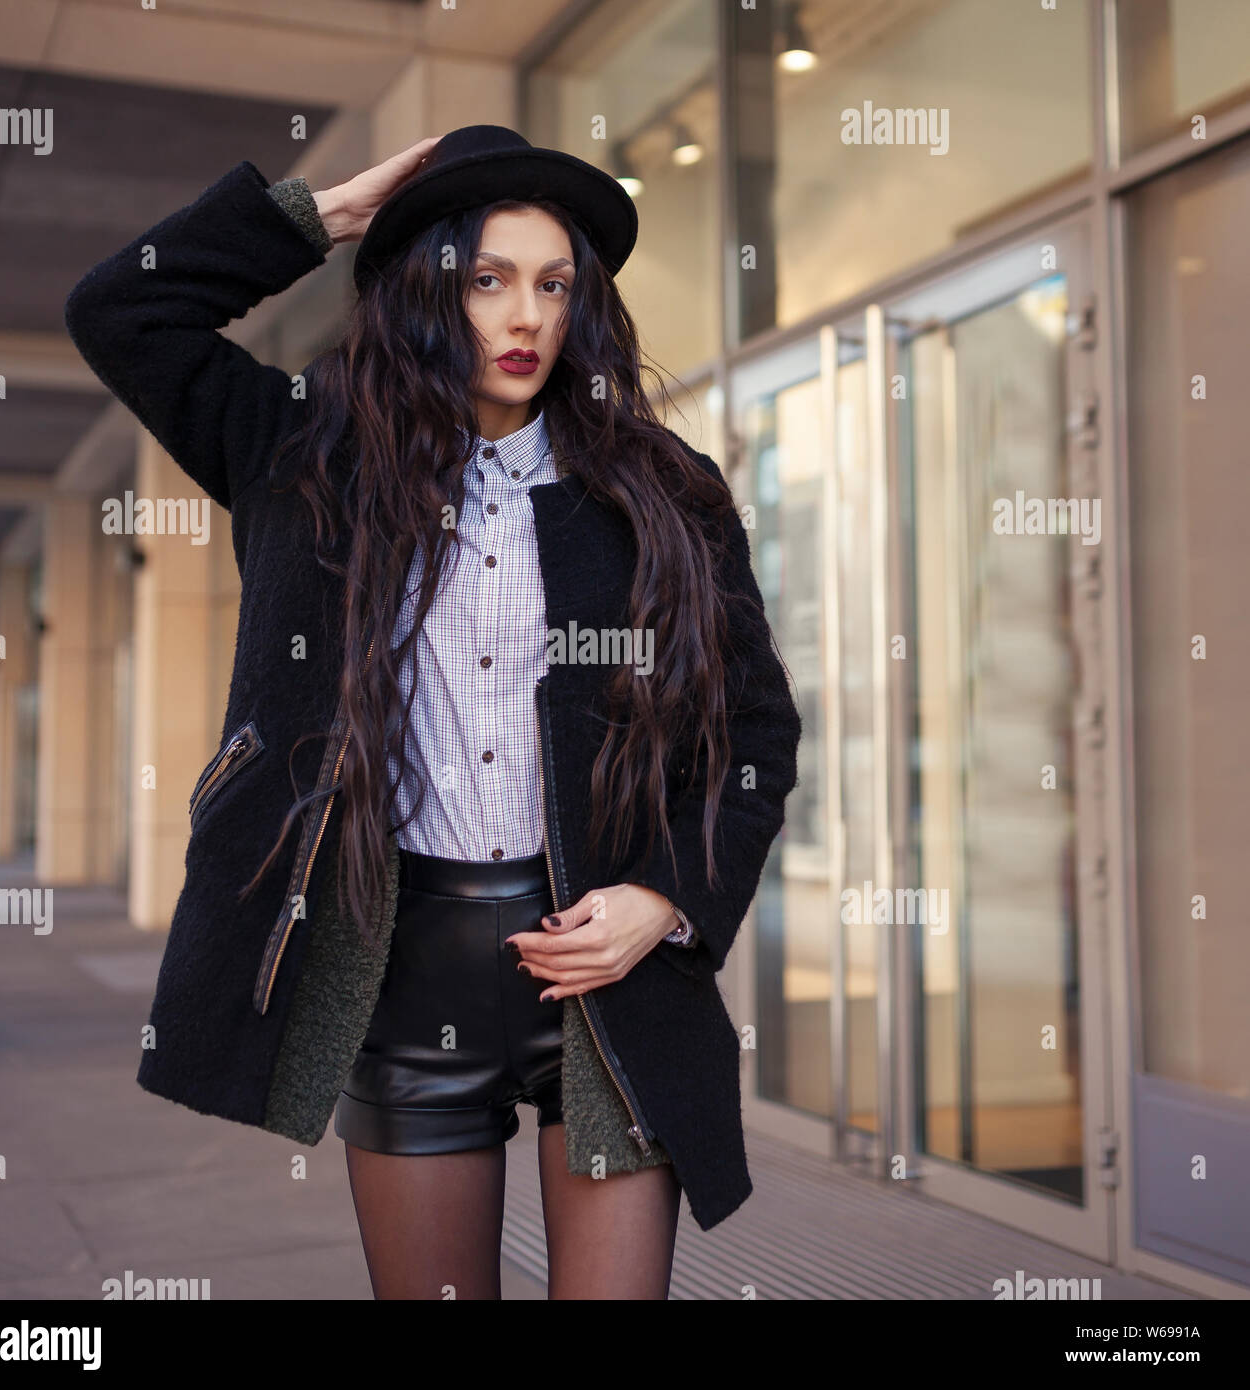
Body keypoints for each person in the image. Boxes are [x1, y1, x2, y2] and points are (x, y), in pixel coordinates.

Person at [64, 124, 802, 1299]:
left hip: (600, 976)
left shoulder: (662, 491)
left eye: (553, 284)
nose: (525, 318)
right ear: (426, 288)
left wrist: (663, 899)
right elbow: (120, 313)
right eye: (486, 280)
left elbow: (753, 735)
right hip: (399, 966)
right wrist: (330, 213)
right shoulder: (302, 456)